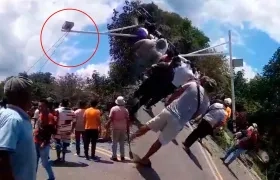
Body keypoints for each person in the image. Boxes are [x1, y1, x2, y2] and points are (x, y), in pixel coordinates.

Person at [129, 76, 217, 166]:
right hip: (179, 121)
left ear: (205, 83)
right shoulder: (207, 103)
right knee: (161, 140)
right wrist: (186, 117)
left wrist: (169, 100)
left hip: (170, 110)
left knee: (149, 126)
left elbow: (178, 91)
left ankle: (129, 138)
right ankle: (144, 159)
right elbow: (196, 115)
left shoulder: (193, 84)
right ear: (211, 91)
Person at [0, 76, 36, 180]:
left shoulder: (9, 114)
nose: (31, 97)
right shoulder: (14, 119)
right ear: (23, 96)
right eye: (30, 93)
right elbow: (2, 158)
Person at [33, 99, 56, 180]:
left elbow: (50, 131)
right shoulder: (40, 114)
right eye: (39, 106)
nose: (40, 107)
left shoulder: (49, 116)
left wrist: (45, 141)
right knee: (34, 162)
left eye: (42, 106)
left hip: (43, 142)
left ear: (46, 106)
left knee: (44, 163)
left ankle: (51, 177)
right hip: (36, 140)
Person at [106, 96, 130, 161]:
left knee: (114, 142)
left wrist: (107, 124)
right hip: (123, 128)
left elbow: (111, 118)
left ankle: (114, 156)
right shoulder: (125, 110)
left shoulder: (113, 109)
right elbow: (128, 120)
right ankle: (122, 156)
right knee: (122, 142)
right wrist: (127, 128)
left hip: (115, 127)